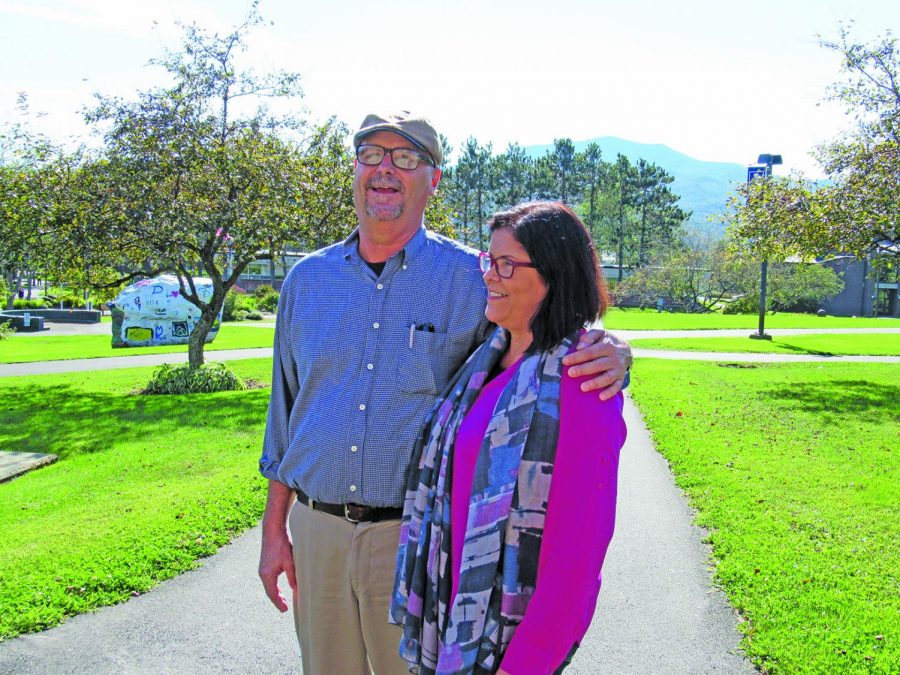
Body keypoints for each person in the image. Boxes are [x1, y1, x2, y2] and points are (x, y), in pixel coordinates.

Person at [258, 112, 632, 675]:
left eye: (406, 158)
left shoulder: (473, 277)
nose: (385, 170)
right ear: (354, 169)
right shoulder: (305, 282)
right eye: (371, 155)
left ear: (433, 179)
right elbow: (285, 415)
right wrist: (273, 532)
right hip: (318, 534)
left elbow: (543, 348)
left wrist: (617, 351)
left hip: (415, 542)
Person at [391, 202, 626, 675]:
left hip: (509, 645)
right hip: (454, 613)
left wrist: (529, 662)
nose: (490, 277)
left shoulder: (580, 382)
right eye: (489, 261)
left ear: (554, 276)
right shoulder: (485, 361)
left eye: (506, 265)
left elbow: (578, 554)